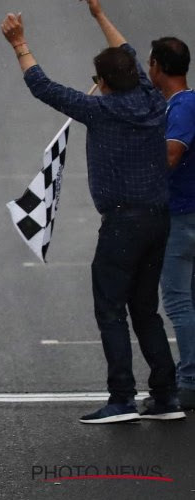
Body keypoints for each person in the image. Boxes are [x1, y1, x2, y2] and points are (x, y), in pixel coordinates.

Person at [1, 0, 185, 423]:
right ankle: (166, 396)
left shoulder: (100, 110)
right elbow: (131, 57)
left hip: (122, 223)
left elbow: (43, 86)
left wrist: (19, 42)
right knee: (145, 309)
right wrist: (100, 16)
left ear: (102, 82)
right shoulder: (151, 99)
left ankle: (122, 398)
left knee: (109, 309)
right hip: (159, 219)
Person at [148, 37, 195, 410]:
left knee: (178, 302)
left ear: (157, 67)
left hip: (181, 214)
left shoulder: (183, 105)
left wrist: (140, 179)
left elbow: (172, 153)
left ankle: (190, 381)